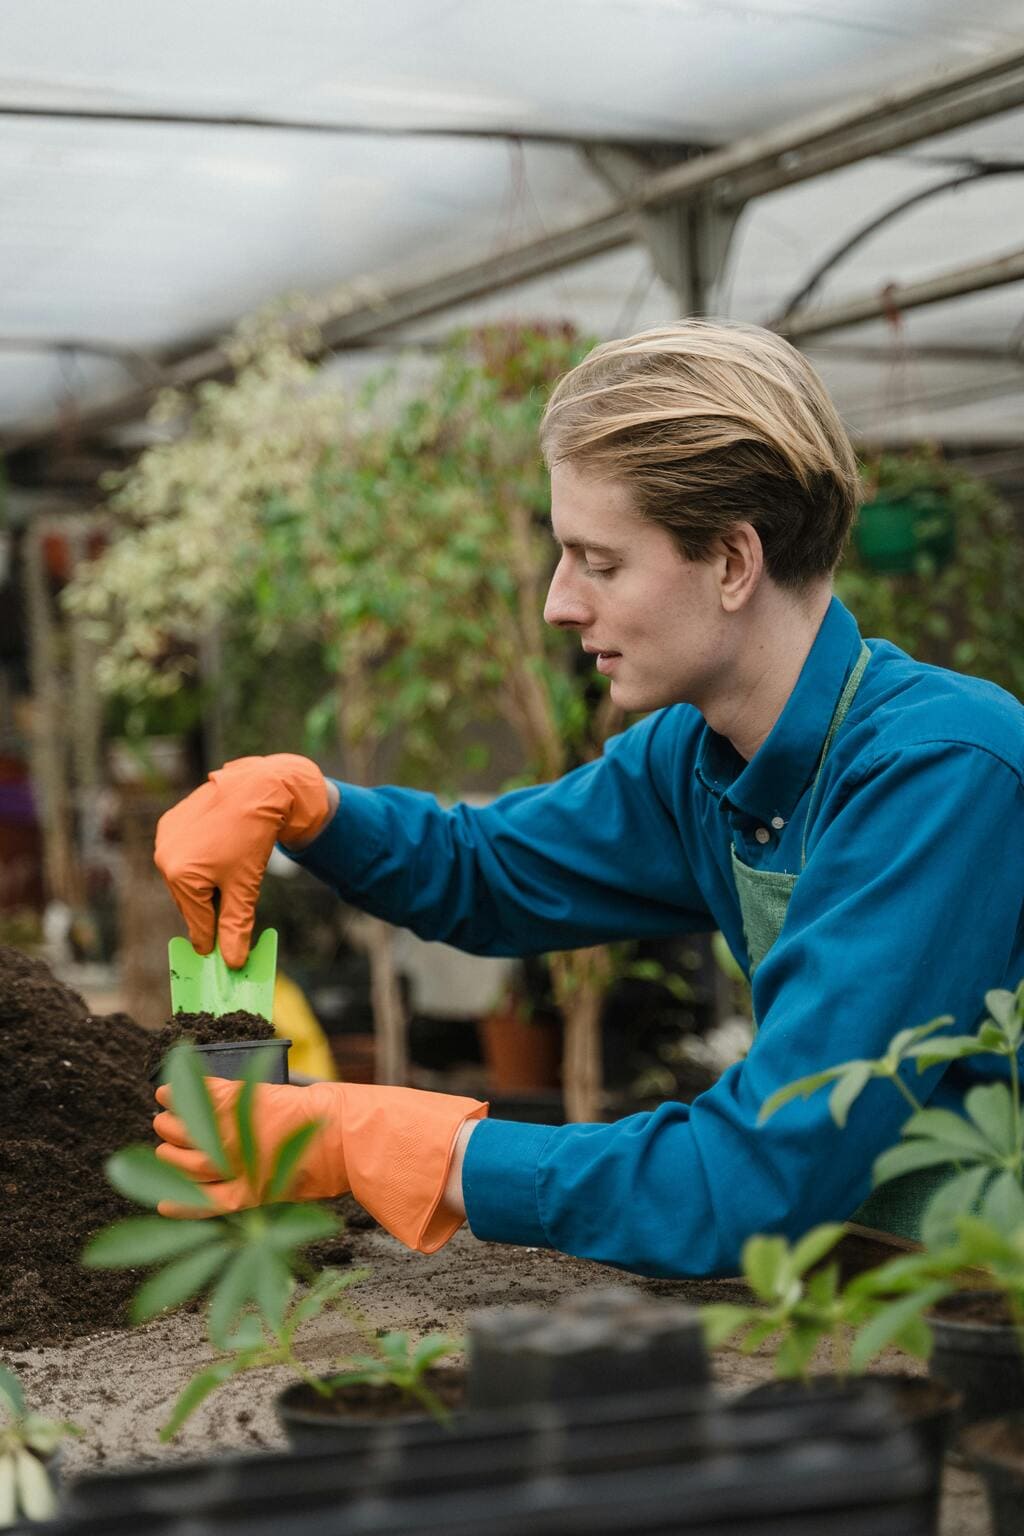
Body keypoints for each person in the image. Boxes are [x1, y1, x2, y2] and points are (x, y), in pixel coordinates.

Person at [152, 319, 1024, 1278]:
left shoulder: (941, 771)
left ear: (734, 563)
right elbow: (488, 873)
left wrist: (413, 1146)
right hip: (862, 1278)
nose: (559, 603)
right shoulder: (695, 757)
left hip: (989, 1295)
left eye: (600, 562)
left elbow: (753, 1178)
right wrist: (308, 806)